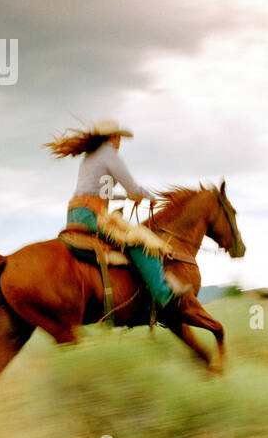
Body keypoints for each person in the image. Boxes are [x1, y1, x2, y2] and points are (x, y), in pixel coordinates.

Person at [45, 119, 187, 314]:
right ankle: (165, 295)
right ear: (113, 137)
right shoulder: (109, 154)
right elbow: (132, 186)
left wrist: (127, 196)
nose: (120, 142)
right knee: (140, 242)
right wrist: (149, 197)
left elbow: (105, 192)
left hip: (76, 214)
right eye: (119, 137)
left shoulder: (91, 155)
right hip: (93, 214)